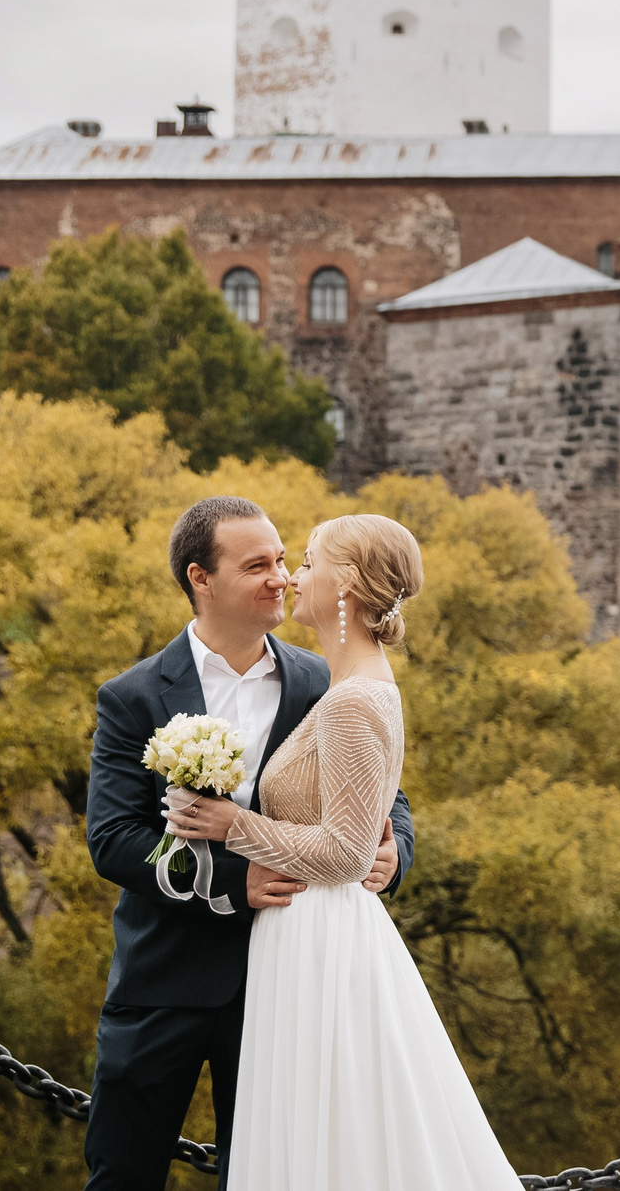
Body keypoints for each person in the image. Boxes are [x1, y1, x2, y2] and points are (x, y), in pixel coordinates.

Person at [172, 514, 524, 1190]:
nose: (294, 576)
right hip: (312, 935)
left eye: (307, 561)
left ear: (349, 584)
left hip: (321, 939)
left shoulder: (350, 702)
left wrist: (229, 824)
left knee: (332, 1131)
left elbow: (342, 851)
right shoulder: (354, 686)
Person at [82, 497, 415, 1190]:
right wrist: (228, 882)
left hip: (289, 983)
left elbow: (388, 796)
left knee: (271, 1174)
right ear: (201, 577)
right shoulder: (132, 695)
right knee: (123, 1176)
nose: (282, 577)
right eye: (258, 564)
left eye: (285, 558)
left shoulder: (323, 679)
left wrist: (395, 851)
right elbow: (115, 839)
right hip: (162, 978)